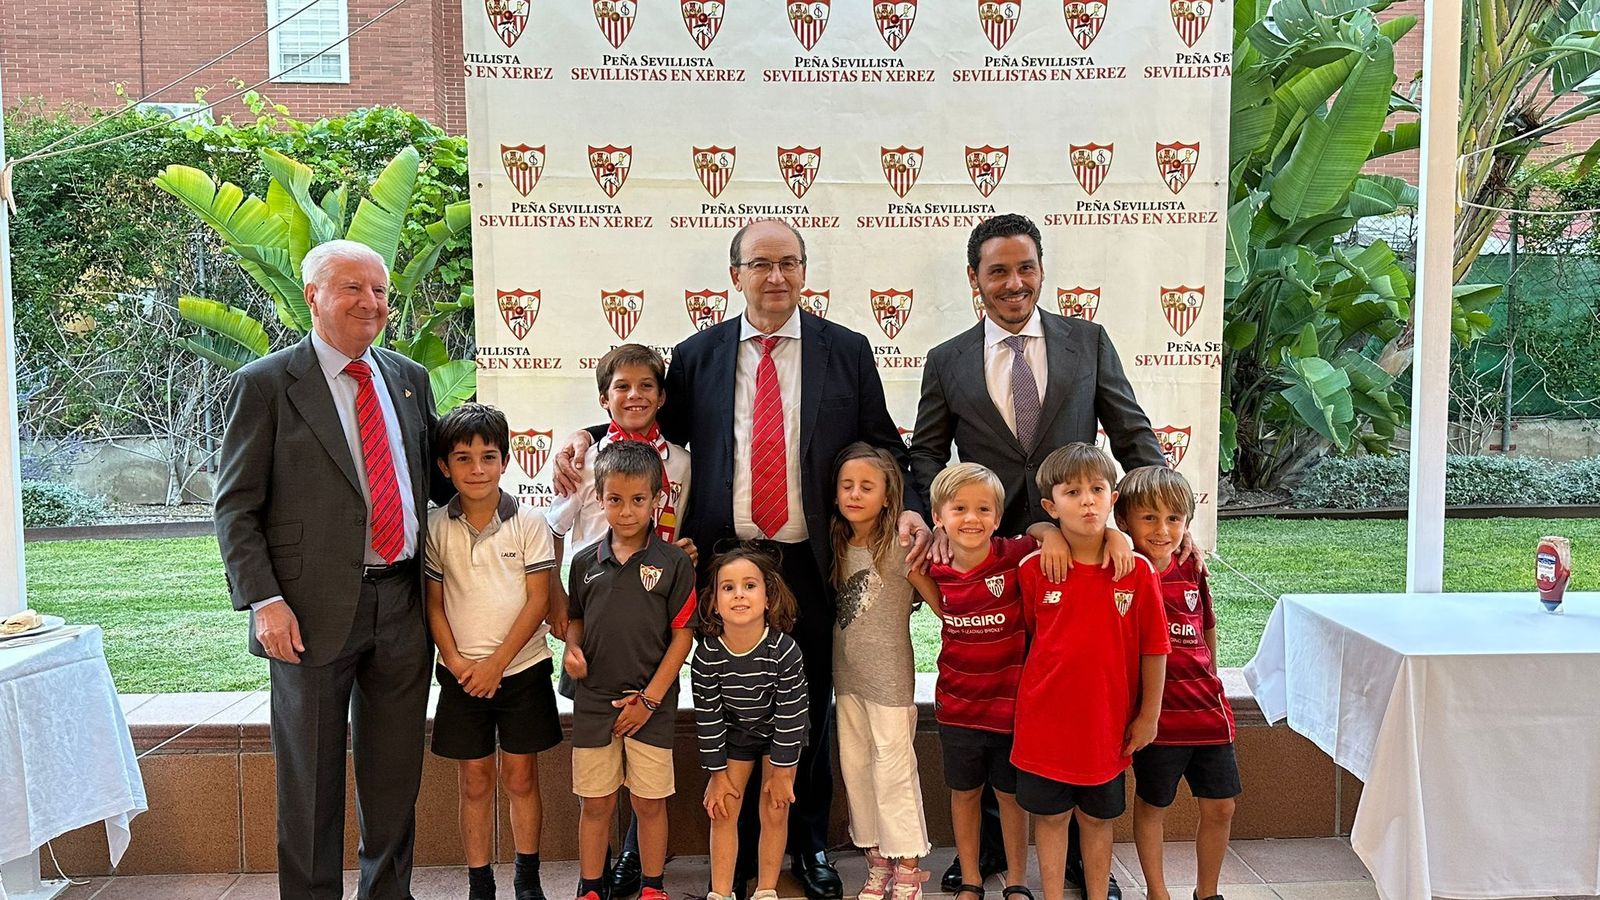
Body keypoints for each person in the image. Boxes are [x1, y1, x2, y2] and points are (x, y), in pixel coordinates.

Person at [554, 219, 930, 900]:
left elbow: (880, 438)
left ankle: (808, 846)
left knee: (806, 707)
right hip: (720, 560)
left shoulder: (844, 350)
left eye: (789, 262)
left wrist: (912, 505)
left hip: (808, 563)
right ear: (736, 276)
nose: (776, 276)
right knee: (712, 702)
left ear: (805, 271)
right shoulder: (698, 354)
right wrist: (581, 433)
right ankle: (646, 857)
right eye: (761, 264)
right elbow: (641, 415)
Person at [912, 212, 1175, 899]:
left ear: (1041, 270)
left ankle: (1093, 871)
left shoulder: (1087, 342)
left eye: (1024, 267)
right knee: (1006, 708)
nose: (1013, 282)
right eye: (997, 270)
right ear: (974, 280)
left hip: (1085, 559)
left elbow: (1131, 431)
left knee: (1081, 708)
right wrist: (926, 514)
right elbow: (927, 452)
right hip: (1000, 565)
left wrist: (1156, 514)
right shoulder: (946, 361)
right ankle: (1000, 853)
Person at [214, 239, 444, 900]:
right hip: (306, 613)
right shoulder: (265, 385)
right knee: (310, 782)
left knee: (394, 778)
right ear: (313, 297)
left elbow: (436, 480)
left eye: (379, 290)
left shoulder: (406, 377)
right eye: (353, 288)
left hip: (401, 606)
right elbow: (235, 507)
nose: (371, 302)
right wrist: (264, 602)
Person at [546, 343, 695, 895]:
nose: (634, 396)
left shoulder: (679, 460)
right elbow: (553, 531)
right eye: (621, 387)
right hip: (595, 613)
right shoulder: (582, 456)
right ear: (604, 396)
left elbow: (686, 519)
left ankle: (640, 866)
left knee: (648, 786)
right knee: (598, 788)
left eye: (646, 386)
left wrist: (685, 552)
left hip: (653, 615)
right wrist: (565, 627)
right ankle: (597, 878)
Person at [1015, 443, 1170, 900]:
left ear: (1113, 497)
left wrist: (1150, 715)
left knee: (1099, 820)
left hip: (1107, 727)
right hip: (1045, 725)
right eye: (1072, 491)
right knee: (1051, 818)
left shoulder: (1137, 572)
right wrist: (1048, 536)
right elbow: (1028, 636)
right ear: (1051, 505)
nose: (1087, 500)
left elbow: (1155, 648)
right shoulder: (1033, 569)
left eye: (1097, 489)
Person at [424, 403, 562, 900]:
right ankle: (479, 882)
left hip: (523, 670)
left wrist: (498, 664)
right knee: (475, 781)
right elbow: (434, 606)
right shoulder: (435, 527)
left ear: (505, 461)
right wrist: (461, 665)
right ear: (444, 466)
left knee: (522, 777)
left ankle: (528, 877)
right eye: (463, 458)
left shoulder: (529, 522)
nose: (476, 468)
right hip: (461, 677)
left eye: (488, 456)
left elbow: (539, 600)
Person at [905, 463, 1034, 900]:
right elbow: (920, 581)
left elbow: (1042, 531)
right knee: (965, 794)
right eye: (959, 508)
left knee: (1011, 796)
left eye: (983, 509)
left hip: (1010, 708)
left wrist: (1050, 535)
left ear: (997, 518)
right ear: (938, 517)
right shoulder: (934, 566)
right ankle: (973, 878)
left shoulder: (1013, 556)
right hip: (958, 706)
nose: (972, 518)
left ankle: (1017, 879)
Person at [1114, 467, 1239, 900]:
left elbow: (1207, 627)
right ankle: (1157, 891)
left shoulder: (1191, 566)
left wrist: (1214, 680)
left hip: (1206, 713)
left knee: (1222, 805)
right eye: (1149, 518)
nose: (1163, 529)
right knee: (1154, 804)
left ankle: (1208, 892)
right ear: (1124, 520)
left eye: (1173, 518)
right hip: (1158, 720)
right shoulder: (1122, 571)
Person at [830, 444, 932, 900]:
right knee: (856, 768)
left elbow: (940, 602)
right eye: (847, 486)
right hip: (846, 677)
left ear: (889, 496)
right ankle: (876, 862)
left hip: (890, 680)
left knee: (893, 768)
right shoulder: (835, 544)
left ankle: (908, 865)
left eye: (866, 487)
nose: (855, 495)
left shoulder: (900, 546)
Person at [694, 545, 810, 900]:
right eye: (728, 587)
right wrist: (717, 775)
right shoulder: (707, 654)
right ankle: (721, 892)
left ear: (768, 597)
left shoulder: (785, 650)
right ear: (714, 601)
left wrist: (780, 770)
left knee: (776, 806)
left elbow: (792, 711)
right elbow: (709, 717)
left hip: (780, 736)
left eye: (749, 585)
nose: (739, 594)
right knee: (723, 806)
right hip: (734, 736)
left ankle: (766, 890)